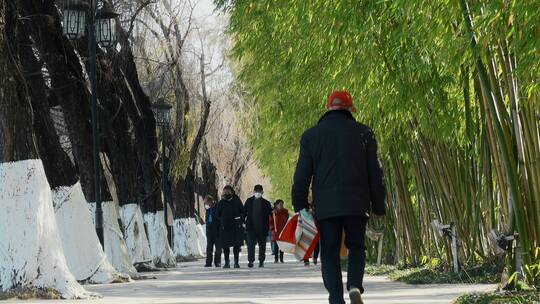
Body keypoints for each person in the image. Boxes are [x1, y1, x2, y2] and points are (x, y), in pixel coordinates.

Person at [292, 90, 386, 304]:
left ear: (328, 108)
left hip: (326, 207)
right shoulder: (364, 133)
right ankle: (354, 285)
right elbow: (375, 173)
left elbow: (302, 173)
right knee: (356, 246)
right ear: (349, 109)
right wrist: (378, 205)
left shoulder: (311, 136)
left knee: (330, 251)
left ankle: (335, 297)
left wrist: (300, 204)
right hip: (357, 203)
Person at [243, 185, 273, 268]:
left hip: (262, 228)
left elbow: (271, 213)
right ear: (253, 192)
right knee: (250, 245)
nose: (258, 193)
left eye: (260, 191)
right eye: (256, 191)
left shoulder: (266, 203)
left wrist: (273, 211)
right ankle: (251, 261)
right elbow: (244, 212)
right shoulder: (249, 201)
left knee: (262, 246)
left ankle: (261, 261)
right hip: (251, 228)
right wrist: (242, 222)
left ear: (262, 192)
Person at [216, 185, 245, 269]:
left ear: (232, 192)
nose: (226, 193)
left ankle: (236, 262)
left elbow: (242, 212)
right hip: (225, 227)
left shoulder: (237, 201)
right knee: (225, 246)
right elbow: (217, 215)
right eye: (224, 192)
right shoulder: (221, 202)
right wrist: (222, 219)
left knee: (236, 246)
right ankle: (227, 262)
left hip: (235, 226)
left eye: (228, 192)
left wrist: (239, 218)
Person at [204, 195, 221, 268]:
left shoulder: (217, 207)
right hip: (209, 231)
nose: (206, 205)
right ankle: (208, 263)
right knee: (209, 248)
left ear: (210, 201)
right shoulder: (208, 210)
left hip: (217, 231)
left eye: (206, 203)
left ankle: (217, 262)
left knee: (218, 248)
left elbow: (219, 218)